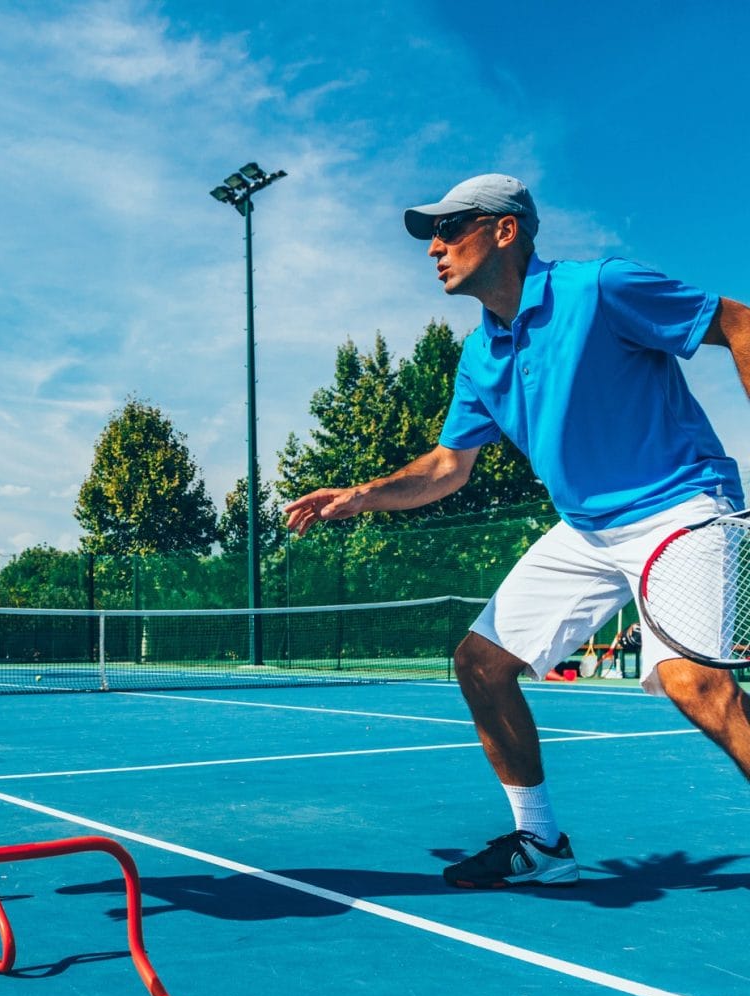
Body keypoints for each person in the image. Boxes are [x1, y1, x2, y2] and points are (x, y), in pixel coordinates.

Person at [284, 173, 750, 889]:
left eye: (452, 228)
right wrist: (362, 495)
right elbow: (447, 467)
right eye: (431, 236)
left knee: (692, 684)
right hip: (588, 528)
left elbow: (739, 323)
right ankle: (541, 841)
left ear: (506, 230)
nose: (434, 246)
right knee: (480, 663)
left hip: (680, 505)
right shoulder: (480, 355)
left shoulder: (601, 288)